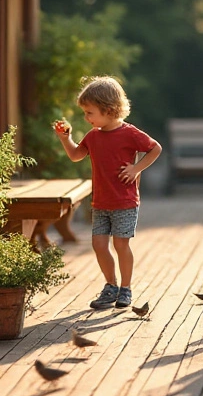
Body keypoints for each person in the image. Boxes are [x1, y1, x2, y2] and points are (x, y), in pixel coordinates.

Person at [54, 76, 163, 310]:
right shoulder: (93, 136)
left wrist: (136, 168)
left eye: (89, 112)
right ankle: (110, 286)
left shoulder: (130, 134)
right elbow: (75, 155)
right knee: (99, 245)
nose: (86, 117)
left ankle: (126, 288)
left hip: (124, 202)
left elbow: (155, 148)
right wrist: (66, 139)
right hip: (101, 202)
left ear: (109, 110)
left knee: (121, 245)